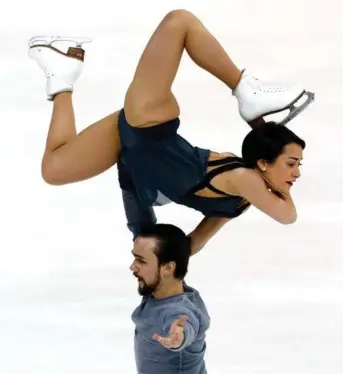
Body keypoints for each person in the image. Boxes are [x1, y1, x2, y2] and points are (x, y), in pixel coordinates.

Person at [28, 10, 314, 253]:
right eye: (292, 164)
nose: (297, 174)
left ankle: (62, 73)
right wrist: (264, 140)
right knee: (179, 22)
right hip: (150, 124)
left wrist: (163, 268)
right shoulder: (245, 179)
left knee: (54, 169)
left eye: (296, 165)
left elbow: (191, 246)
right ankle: (245, 89)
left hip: (130, 143)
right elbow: (287, 216)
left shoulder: (241, 200)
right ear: (262, 163)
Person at [130, 223, 210, 374]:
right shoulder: (165, 289)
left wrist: (178, 336)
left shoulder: (176, 310)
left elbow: (185, 323)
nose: (133, 267)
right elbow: (139, 218)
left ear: (168, 267)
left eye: (141, 261)